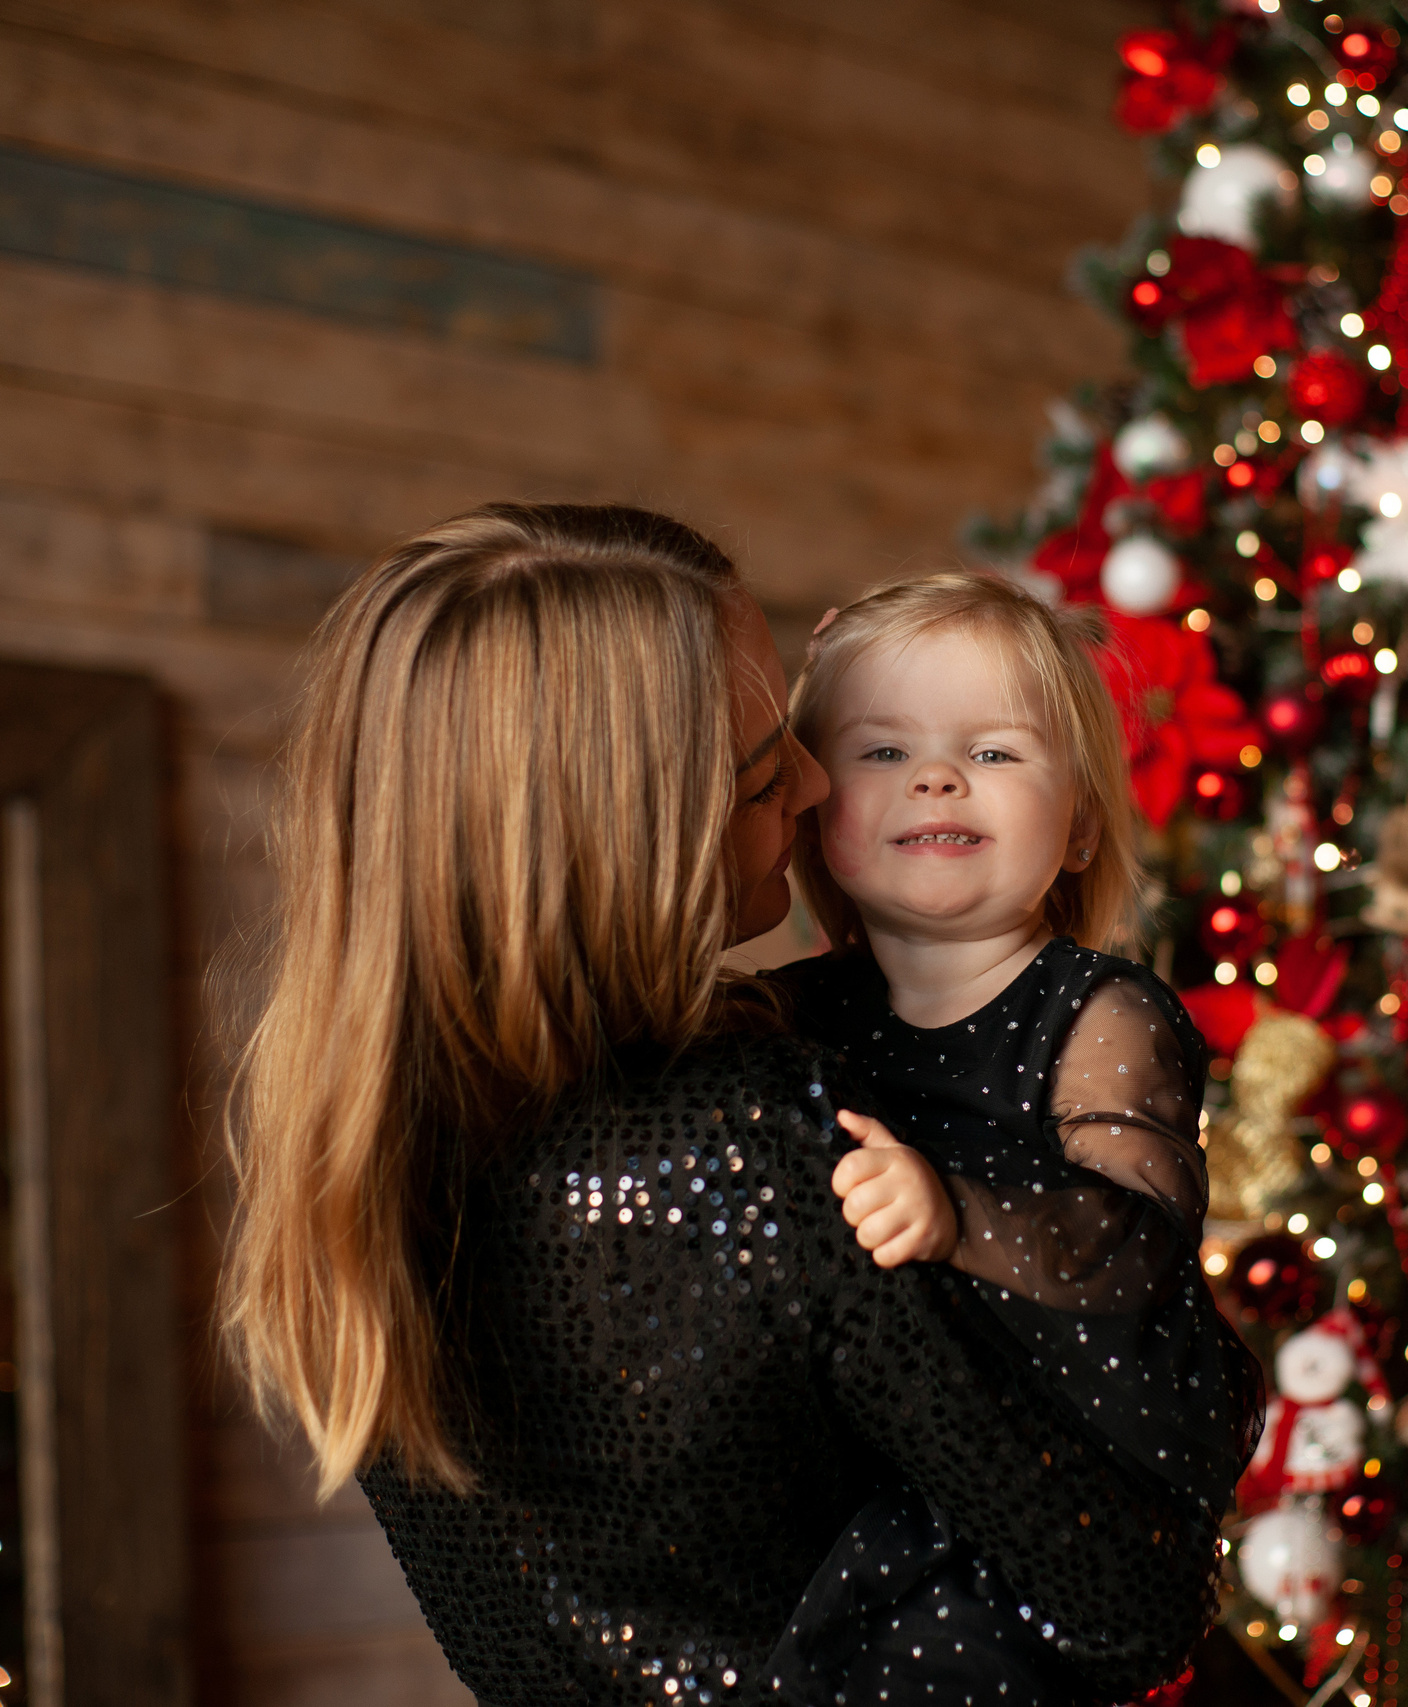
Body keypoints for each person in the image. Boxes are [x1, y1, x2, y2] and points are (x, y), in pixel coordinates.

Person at [217, 505, 1217, 1707]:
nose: (810, 781)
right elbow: (1124, 1593)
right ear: (627, 842)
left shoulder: (365, 1156)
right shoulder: (747, 1134)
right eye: (759, 775)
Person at [765, 573, 1263, 1704]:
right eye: (882, 753)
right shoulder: (795, 1014)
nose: (937, 777)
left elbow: (1135, 1239)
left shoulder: (1101, 1011)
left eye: (992, 753)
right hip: (895, 1446)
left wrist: (954, 1213)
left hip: (1079, 1447)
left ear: (1081, 822)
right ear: (809, 808)